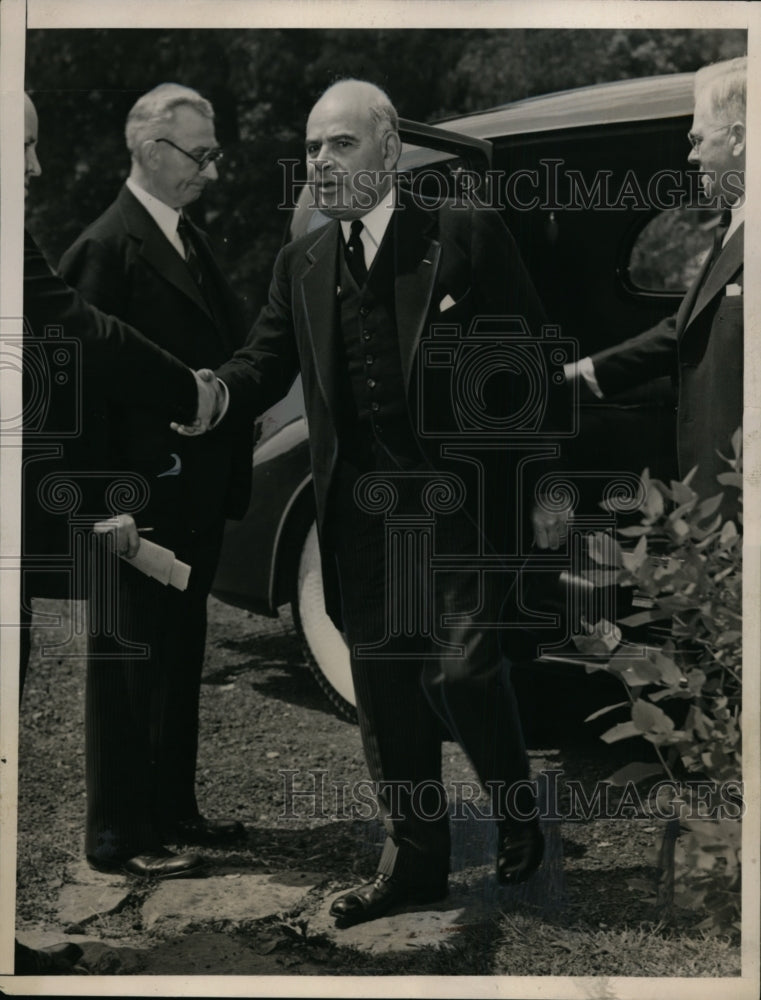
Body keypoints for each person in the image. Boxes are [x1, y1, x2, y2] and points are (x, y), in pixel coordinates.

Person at [179, 79, 569, 926]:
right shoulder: (302, 261)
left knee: (465, 674)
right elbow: (263, 361)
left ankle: (515, 808)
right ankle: (415, 866)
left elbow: (531, 363)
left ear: (389, 151)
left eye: (340, 145)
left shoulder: (465, 232)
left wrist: (543, 487)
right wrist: (214, 396)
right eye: (313, 147)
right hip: (358, 514)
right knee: (387, 697)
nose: (320, 161)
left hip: (462, 504)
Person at [58, 84, 249, 878]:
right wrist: (103, 502)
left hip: (191, 499)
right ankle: (117, 837)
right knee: (127, 666)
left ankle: (171, 811)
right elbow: (70, 390)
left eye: (213, 154)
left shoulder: (186, 238)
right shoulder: (105, 248)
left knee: (175, 661)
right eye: (197, 154)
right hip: (134, 505)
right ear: (147, 149)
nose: (210, 170)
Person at [565, 56, 745, 511]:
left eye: (698, 138)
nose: (691, 154)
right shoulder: (734, 227)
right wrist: (583, 374)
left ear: (739, 138)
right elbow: (684, 330)